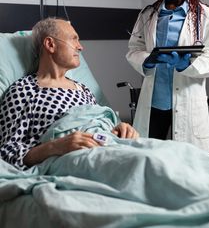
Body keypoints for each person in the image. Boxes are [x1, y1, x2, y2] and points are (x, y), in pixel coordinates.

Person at [0, 18, 139, 170]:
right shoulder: (24, 91)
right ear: (50, 44)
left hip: (111, 148)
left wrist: (120, 128)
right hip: (79, 161)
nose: (80, 47)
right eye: (74, 40)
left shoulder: (83, 89)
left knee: (164, 153)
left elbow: (97, 123)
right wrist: (54, 147)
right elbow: (6, 154)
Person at [126, 0, 209, 152]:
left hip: (187, 100)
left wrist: (186, 64)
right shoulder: (148, 15)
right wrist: (146, 60)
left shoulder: (205, 16)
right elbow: (134, 48)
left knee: (188, 163)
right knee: (148, 157)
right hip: (154, 101)